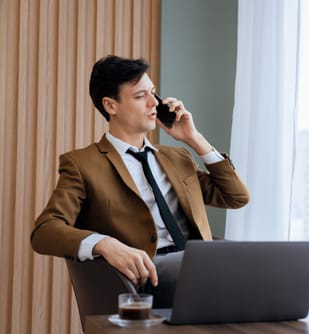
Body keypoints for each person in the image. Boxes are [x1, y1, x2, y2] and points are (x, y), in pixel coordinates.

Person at [30, 55, 250, 307]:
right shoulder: (82, 164)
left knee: (256, 270)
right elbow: (44, 231)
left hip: (197, 266)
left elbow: (235, 197)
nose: (153, 103)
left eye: (154, 93)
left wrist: (194, 138)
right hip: (148, 276)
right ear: (110, 106)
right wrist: (104, 244)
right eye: (139, 96)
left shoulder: (176, 157)